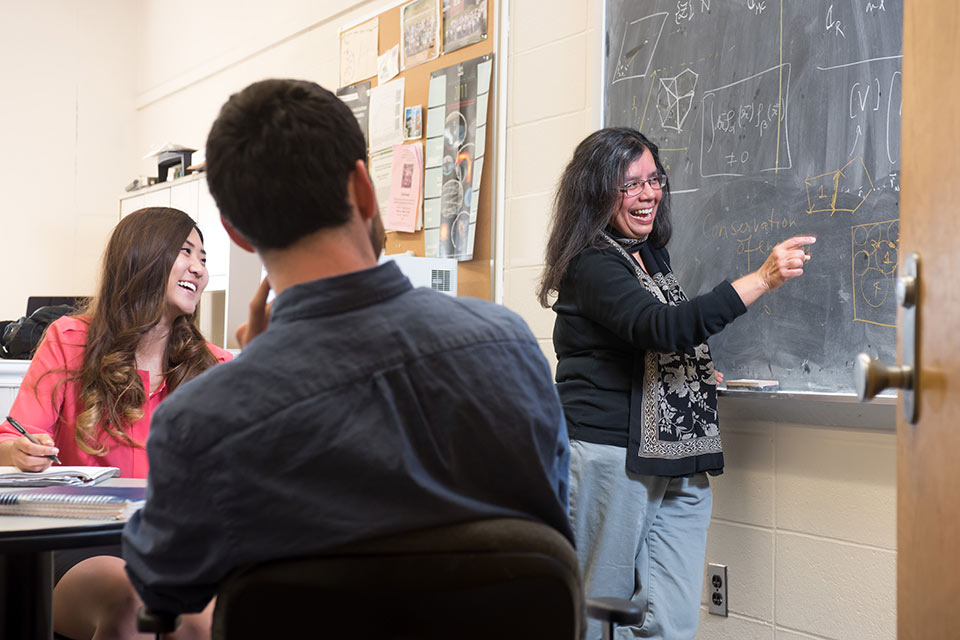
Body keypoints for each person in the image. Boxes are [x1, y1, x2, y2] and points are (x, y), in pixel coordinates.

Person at [121, 78, 572, 619]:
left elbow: (164, 585)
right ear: (364, 189)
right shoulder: (509, 344)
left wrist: (253, 374)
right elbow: (553, 529)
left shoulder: (201, 419)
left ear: (235, 233)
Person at [537, 128, 814, 640]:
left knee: (671, 621)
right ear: (597, 191)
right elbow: (658, 328)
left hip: (677, 457)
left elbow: (656, 342)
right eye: (630, 185)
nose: (647, 194)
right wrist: (763, 278)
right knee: (598, 614)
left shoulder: (651, 255)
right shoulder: (592, 263)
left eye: (653, 180)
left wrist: (690, 370)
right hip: (610, 453)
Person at [0, 207, 232, 640]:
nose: (199, 269)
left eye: (204, 258)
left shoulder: (215, 365)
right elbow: (10, 440)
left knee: (205, 617)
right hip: (83, 546)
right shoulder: (70, 339)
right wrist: (20, 451)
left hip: (180, 544)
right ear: (143, 255)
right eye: (186, 252)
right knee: (132, 602)